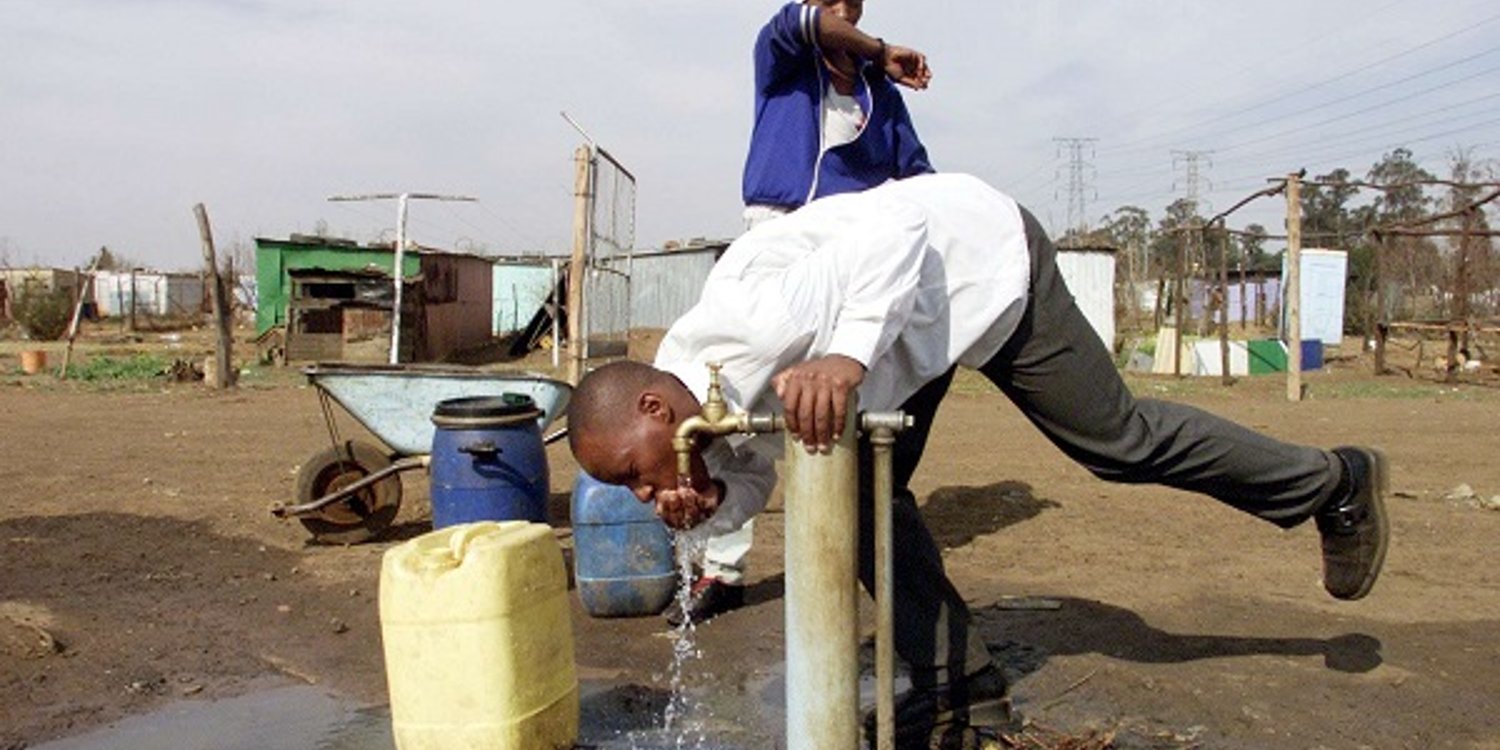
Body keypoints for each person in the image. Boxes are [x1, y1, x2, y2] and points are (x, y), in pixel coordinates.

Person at [567, 173, 1390, 747]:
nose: (644, 490)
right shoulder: (692, 405)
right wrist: (713, 497)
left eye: (635, 471)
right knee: (861, 497)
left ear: (652, 410)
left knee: (1117, 442)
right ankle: (958, 683)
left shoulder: (751, 321)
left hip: (980, 269)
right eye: (633, 488)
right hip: (908, 340)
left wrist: (848, 358)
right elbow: (756, 474)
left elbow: (899, 232)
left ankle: (1333, 482)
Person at [680, 0, 937, 625]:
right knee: (728, 404)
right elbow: (807, 24)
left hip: (848, 255)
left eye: (851, 3)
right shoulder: (783, 57)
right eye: (830, 3)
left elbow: (919, 179)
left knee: (834, 405)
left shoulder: (880, 94)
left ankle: (837, 547)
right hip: (780, 240)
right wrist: (882, 49)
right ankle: (722, 565)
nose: (839, 10)